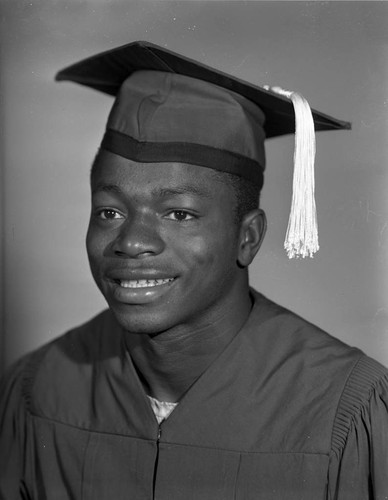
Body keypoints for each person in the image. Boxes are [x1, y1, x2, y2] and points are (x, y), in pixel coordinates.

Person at [0, 41, 387, 500]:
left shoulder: (345, 407)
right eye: (109, 212)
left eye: (179, 214)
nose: (132, 242)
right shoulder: (38, 389)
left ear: (248, 238)